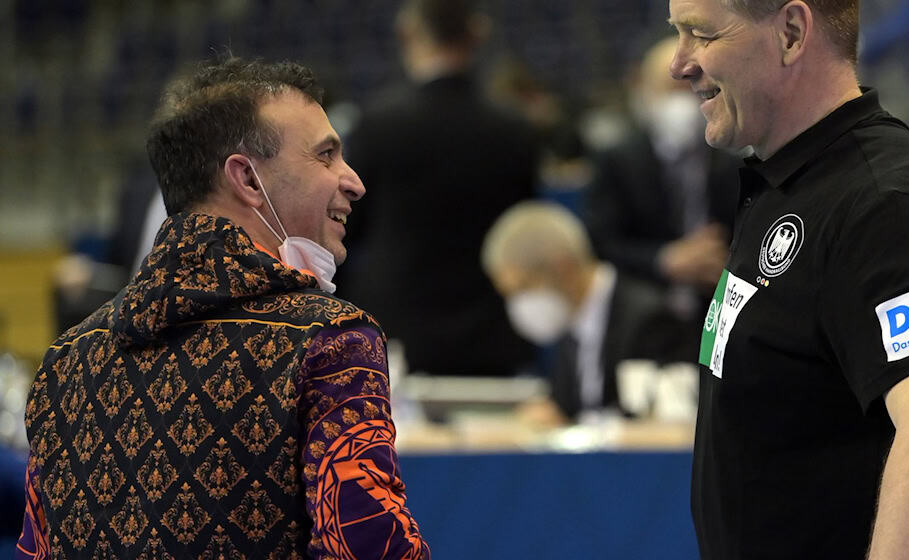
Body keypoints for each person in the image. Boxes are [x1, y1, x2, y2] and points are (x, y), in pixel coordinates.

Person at [17, 57, 429, 559]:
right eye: (326, 156)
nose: (354, 180)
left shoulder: (67, 359)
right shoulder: (330, 341)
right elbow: (368, 545)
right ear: (248, 180)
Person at [667, 0, 909, 558]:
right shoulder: (788, 185)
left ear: (792, 33)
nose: (680, 63)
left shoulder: (886, 204)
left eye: (701, 33)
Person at [338, 0, 538, 377]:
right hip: (490, 334)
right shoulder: (515, 128)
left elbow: (348, 228)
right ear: (477, 35)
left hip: (395, 333)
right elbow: (519, 233)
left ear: (409, 34)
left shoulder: (380, 124)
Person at [582, 35, 739, 358]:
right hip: (641, 325)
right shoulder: (618, 160)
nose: (682, 98)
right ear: (647, 93)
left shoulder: (734, 162)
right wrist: (664, 260)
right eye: (672, 86)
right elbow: (600, 245)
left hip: (716, 324)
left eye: (692, 84)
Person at [481, 201, 689, 423]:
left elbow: (664, 423)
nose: (519, 304)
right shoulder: (567, 327)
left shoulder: (650, 319)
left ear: (563, 267)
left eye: (523, 288)